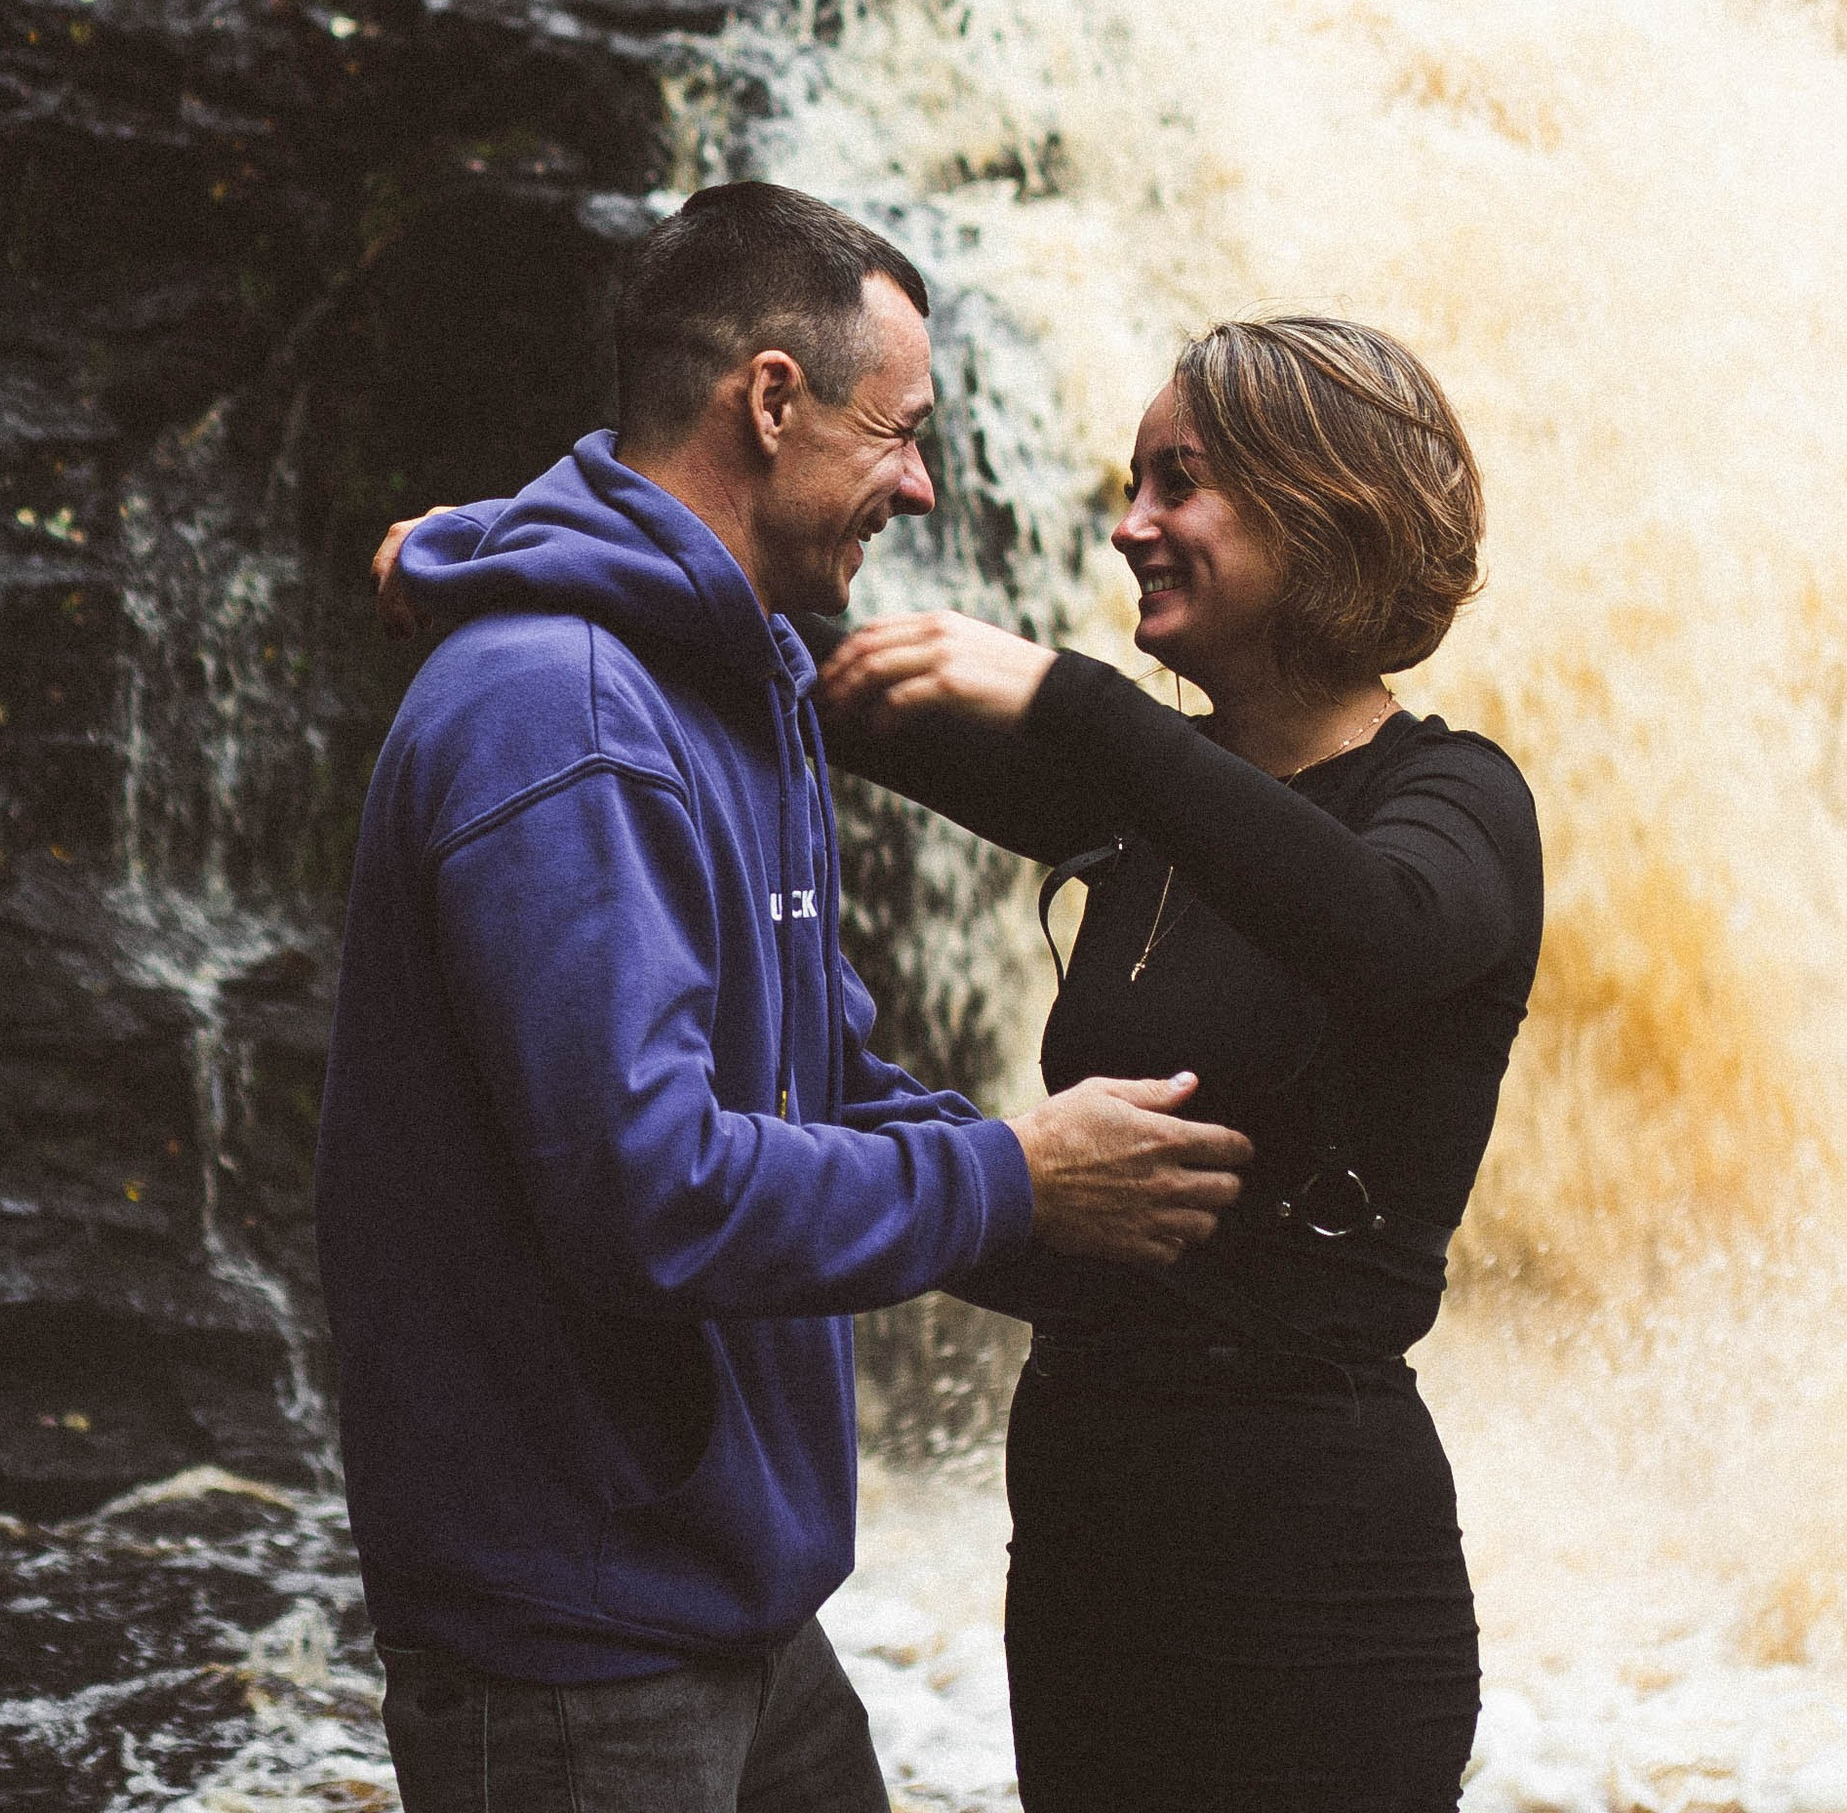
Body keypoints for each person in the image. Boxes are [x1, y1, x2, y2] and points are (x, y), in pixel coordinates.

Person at [320, 180, 1253, 1813]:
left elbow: (827, 1082)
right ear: (770, 400)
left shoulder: (739, 680)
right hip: (578, 1644)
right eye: (900, 432)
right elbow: (652, 1195)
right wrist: (1016, 1174)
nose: (923, 481)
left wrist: (1108, 1242)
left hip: (737, 1606)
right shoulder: (566, 719)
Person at [814, 312, 1542, 1813]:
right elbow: (812, 673)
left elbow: (1383, 934)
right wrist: (533, 551)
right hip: (1087, 1542)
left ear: (1318, 503)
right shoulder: (1144, 803)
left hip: (1317, 1584)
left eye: (1179, 483)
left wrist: (1068, 696)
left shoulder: (1455, 803)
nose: (1130, 525)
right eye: (1132, 483)